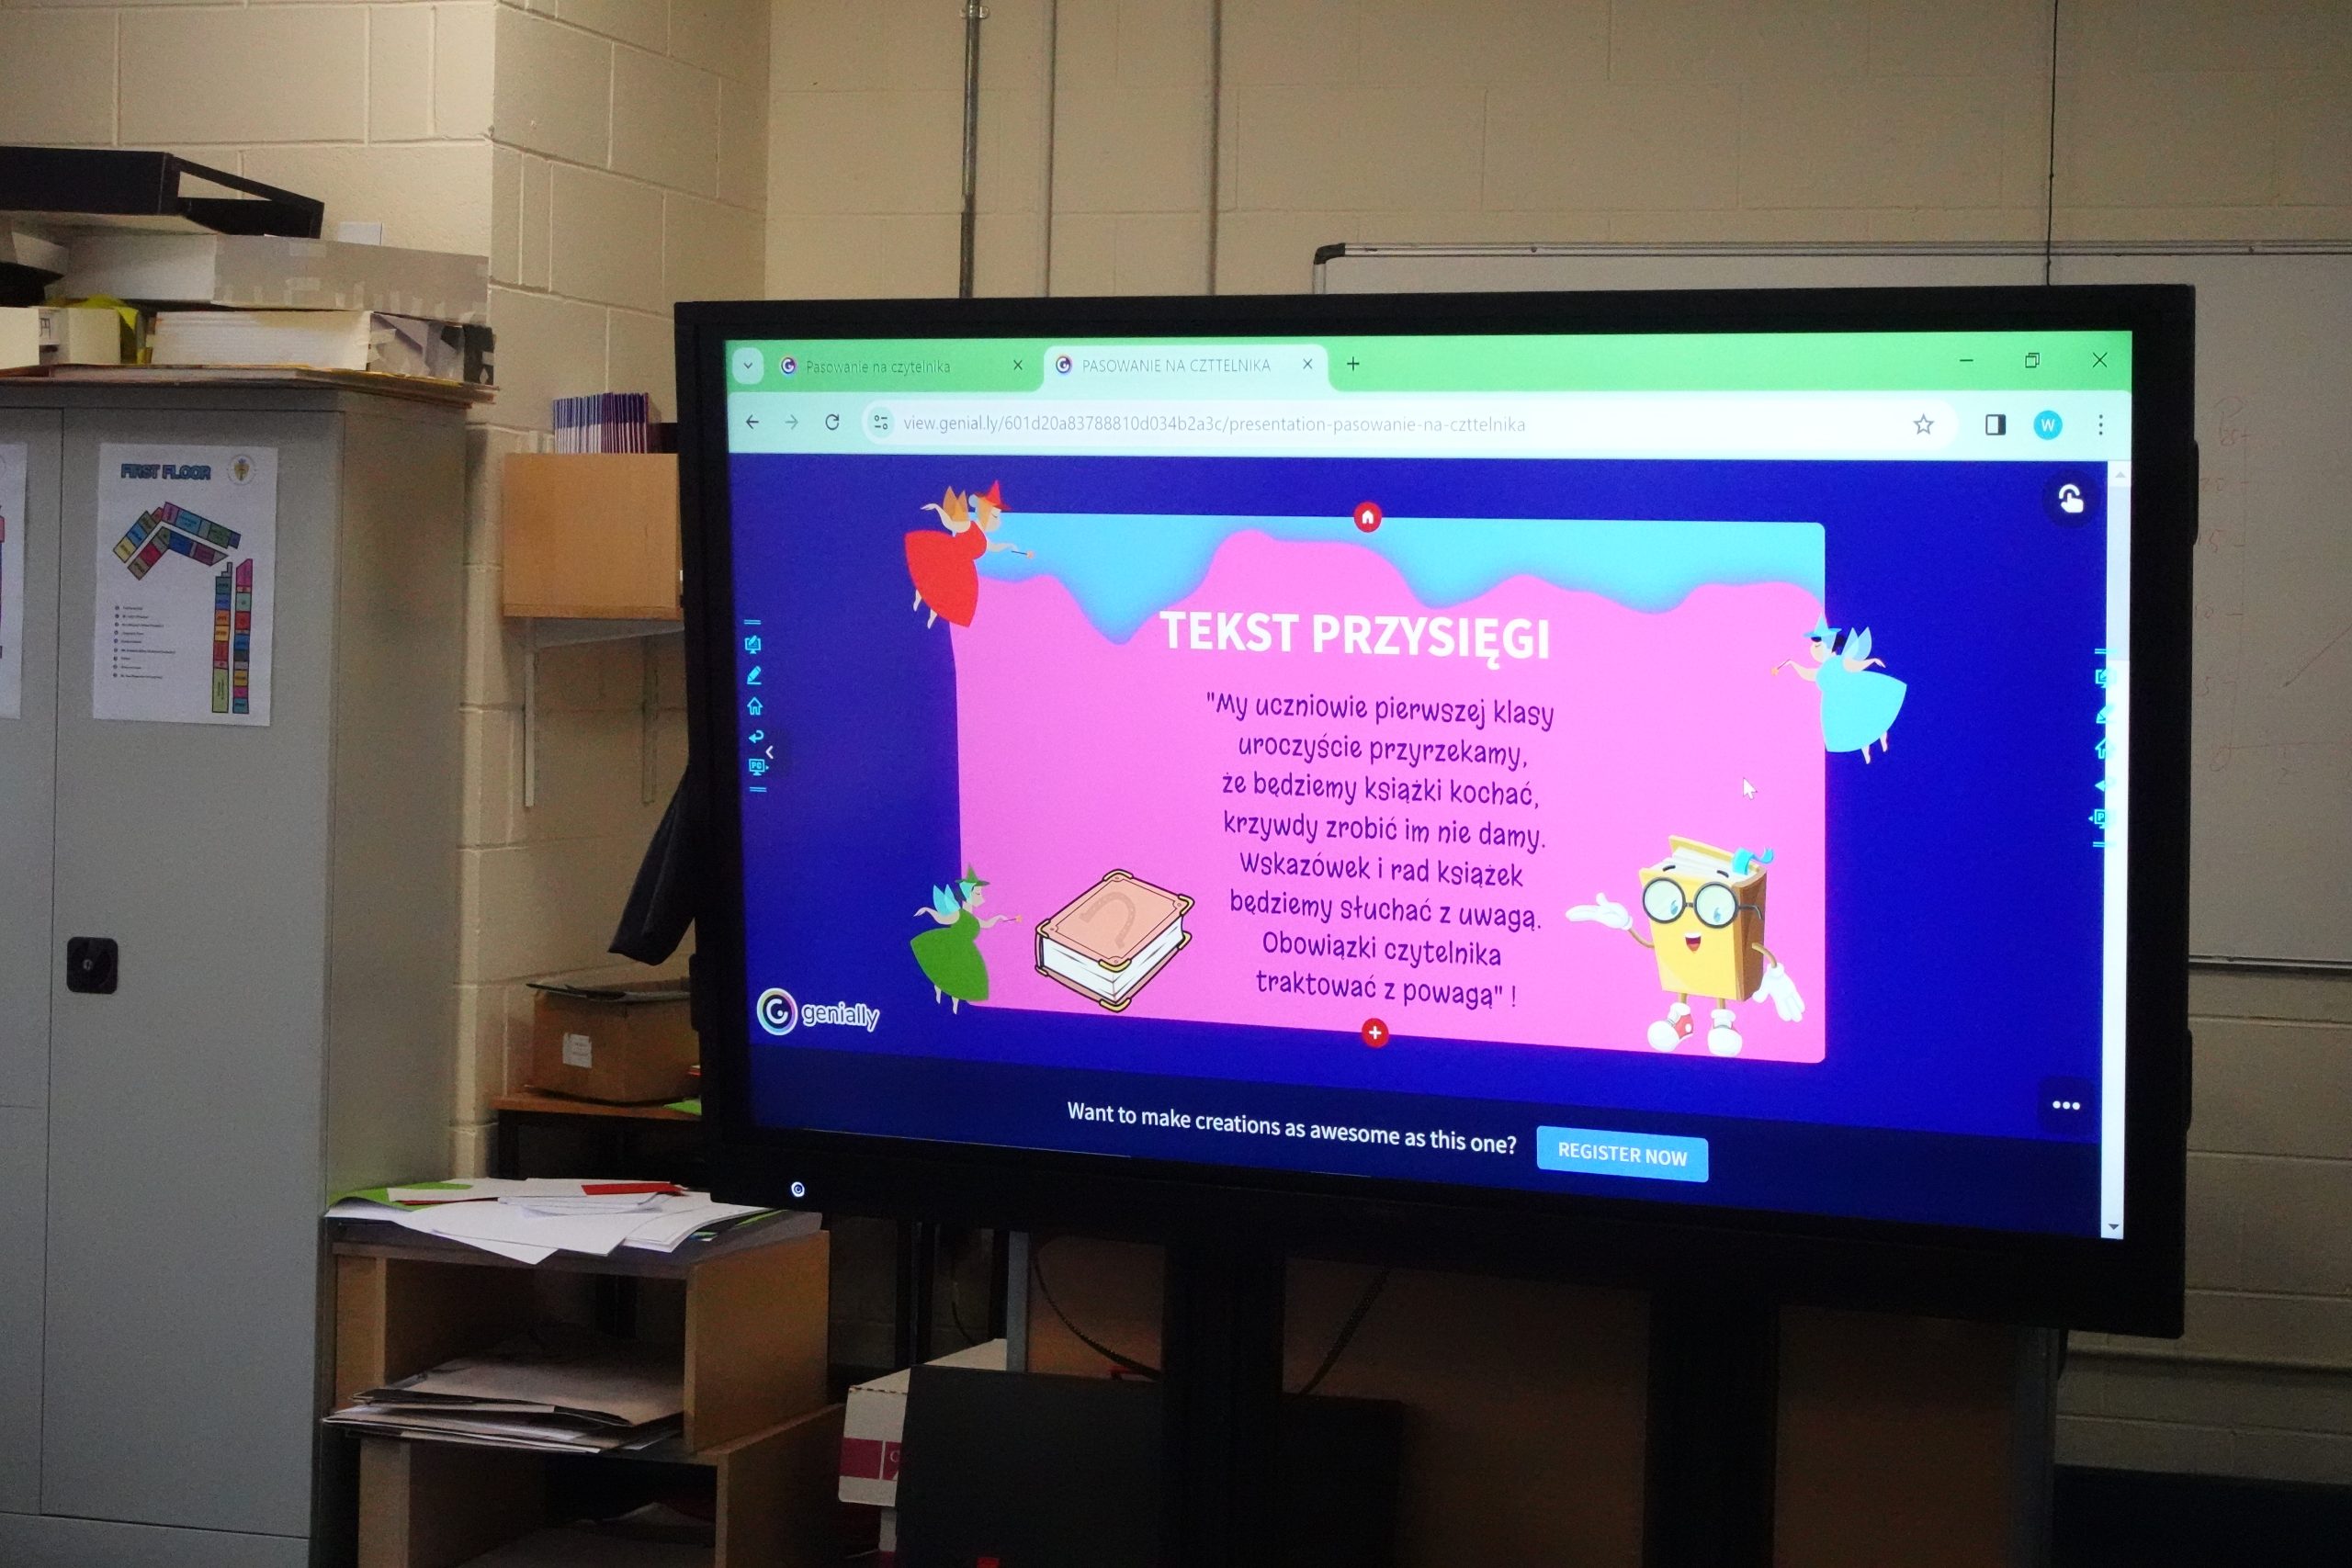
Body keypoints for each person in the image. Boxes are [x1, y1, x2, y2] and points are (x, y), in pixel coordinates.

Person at [1776, 618, 1906, 762]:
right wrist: (1792, 664)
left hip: (1853, 697)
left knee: (1867, 720)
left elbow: (1855, 666)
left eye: (1817, 646)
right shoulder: (1822, 670)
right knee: (1856, 728)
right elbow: (1808, 674)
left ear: (1829, 645)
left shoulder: (1840, 661)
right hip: (1840, 704)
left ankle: (1882, 742)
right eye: (1814, 646)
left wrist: (1871, 661)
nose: (1813, 650)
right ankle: (1868, 754)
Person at [904, 482, 1029, 627]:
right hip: (949, 560)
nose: (998, 521)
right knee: (934, 583)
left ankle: (932, 618)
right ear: (985, 512)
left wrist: (1009, 546)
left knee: (947, 596)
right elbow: (950, 524)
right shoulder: (968, 525)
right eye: (995, 516)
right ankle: (919, 601)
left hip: (962, 570)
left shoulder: (984, 539)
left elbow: (994, 547)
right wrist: (938, 508)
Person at [910, 867, 1018, 1011]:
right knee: (952, 975)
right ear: (967, 894)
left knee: (963, 978)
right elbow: (942, 919)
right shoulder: (959, 914)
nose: (982, 898)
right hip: (952, 948)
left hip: (965, 951)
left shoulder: (973, 919)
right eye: (978, 893)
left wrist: (999, 918)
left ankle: (953, 1006)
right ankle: (944, 999)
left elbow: (986, 924)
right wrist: (928, 910)